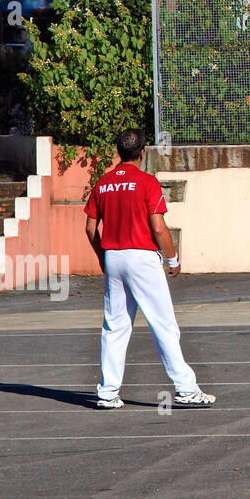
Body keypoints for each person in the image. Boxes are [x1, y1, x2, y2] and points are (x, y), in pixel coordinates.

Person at [84, 128, 216, 409]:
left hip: (114, 257)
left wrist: (101, 256)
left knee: (115, 326)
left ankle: (107, 393)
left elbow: (90, 227)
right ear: (142, 152)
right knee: (163, 323)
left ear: (119, 151)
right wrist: (173, 258)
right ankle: (186, 388)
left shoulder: (103, 183)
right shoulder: (147, 182)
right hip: (142, 258)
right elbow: (158, 227)